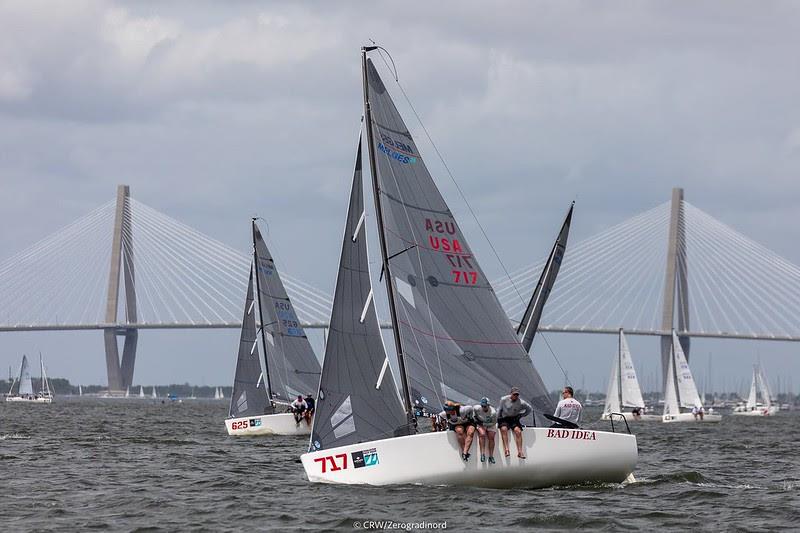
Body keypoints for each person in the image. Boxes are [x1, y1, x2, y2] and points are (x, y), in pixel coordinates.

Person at [497, 386, 533, 459]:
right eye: (514, 394)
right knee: (504, 429)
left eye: (517, 395)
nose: (515, 396)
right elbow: (499, 410)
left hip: (514, 419)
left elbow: (529, 409)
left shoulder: (521, 403)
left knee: (518, 431)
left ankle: (520, 452)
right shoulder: (503, 399)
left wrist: (522, 415)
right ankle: (507, 450)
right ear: (511, 394)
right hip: (504, 418)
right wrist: (497, 420)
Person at [473, 397, 498, 464]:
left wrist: (485, 424)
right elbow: (473, 415)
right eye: (482, 406)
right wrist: (477, 422)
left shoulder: (493, 412)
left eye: (485, 406)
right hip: (480, 423)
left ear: (488, 405)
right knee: (482, 434)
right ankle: (482, 454)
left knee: (491, 437)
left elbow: (494, 422)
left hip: (490, 424)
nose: (483, 407)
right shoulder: (476, 408)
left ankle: (491, 456)